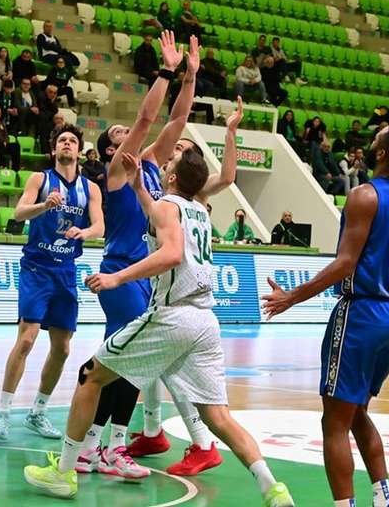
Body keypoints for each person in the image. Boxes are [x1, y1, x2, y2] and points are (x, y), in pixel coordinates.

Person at [25, 146, 295, 507]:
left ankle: (66, 471)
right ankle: (272, 489)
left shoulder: (170, 207)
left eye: (168, 164)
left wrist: (116, 278)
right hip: (206, 322)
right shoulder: (197, 209)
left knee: (90, 376)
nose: (164, 164)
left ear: (170, 178)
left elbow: (170, 253)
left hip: (174, 314)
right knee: (217, 417)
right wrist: (138, 186)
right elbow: (157, 211)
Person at [91, 41, 245, 478]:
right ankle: (107, 447)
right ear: (110, 151)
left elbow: (176, 119)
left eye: (128, 133)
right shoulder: (123, 169)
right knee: (122, 363)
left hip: (154, 279)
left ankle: (114, 443)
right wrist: (165, 70)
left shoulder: (160, 170)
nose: (129, 133)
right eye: (116, 135)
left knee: (139, 364)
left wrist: (191, 76)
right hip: (123, 268)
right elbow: (145, 117)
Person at [262, 124, 389, 507]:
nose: (372, 143)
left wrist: (294, 296)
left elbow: (345, 263)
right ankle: (383, 497)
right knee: (355, 412)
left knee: (334, 421)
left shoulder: (364, 195)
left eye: (377, 140)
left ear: (383, 153)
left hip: (362, 313)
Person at [0, 124, 104, 441]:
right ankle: (2, 414)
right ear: (55, 149)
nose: (67, 144)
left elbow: (99, 226)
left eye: (72, 141)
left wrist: (84, 233)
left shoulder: (89, 188)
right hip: (37, 267)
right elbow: (18, 212)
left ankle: (37, 412)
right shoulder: (40, 179)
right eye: (62, 140)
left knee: (63, 348)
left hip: (66, 269)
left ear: (79, 150)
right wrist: (44, 206)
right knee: (26, 340)